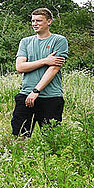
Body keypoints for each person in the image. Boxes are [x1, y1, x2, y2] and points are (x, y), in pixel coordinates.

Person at [11, 8, 68, 137]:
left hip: (51, 96)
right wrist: (45, 61)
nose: (34, 24)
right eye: (33, 21)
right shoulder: (25, 42)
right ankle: (21, 157)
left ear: (49, 21)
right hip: (25, 95)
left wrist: (36, 91)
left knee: (51, 137)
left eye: (39, 21)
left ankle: (50, 158)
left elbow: (53, 68)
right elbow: (20, 67)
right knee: (20, 135)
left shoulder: (59, 41)